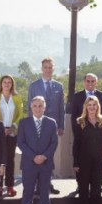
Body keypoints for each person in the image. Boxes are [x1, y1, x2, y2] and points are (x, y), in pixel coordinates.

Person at [18, 96, 59, 204]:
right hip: (29, 163)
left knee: (44, 193)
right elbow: (21, 143)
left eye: (40, 106)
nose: (37, 108)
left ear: (44, 108)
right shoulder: (24, 122)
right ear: (31, 107)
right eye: (35, 106)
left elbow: (54, 142)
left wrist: (45, 156)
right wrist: (33, 156)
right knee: (28, 192)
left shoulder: (51, 122)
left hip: (45, 164)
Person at [27, 57, 64, 195]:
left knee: (49, 156)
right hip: (36, 126)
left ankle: (48, 183)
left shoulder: (59, 86)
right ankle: (37, 186)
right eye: (45, 67)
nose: (48, 70)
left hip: (52, 127)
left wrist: (61, 125)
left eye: (50, 67)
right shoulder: (33, 85)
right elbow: (29, 107)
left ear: (53, 69)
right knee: (37, 156)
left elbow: (61, 107)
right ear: (42, 69)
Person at [74, 96, 102, 204]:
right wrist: (75, 162)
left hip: (98, 161)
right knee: (84, 190)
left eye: (94, 105)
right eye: (89, 105)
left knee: (96, 191)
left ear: (98, 106)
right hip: (83, 161)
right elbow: (76, 144)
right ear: (85, 106)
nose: (91, 107)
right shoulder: (80, 122)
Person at [70, 73, 102, 195]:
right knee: (82, 169)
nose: (90, 83)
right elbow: (73, 117)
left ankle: (98, 185)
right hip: (82, 135)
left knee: (96, 175)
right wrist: (78, 131)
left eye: (93, 81)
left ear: (96, 82)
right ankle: (80, 185)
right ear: (84, 82)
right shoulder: (77, 97)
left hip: (98, 137)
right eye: (88, 81)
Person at [0, 75, 24, 197]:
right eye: (4, 82)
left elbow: (20, 114)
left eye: (9, 82)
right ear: (1, 84)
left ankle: (10, 186)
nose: (6, 84)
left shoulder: (16, 98)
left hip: (11, 132)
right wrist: (1, 128)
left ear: (12, 84)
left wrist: (12, 127)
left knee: (10, 160)